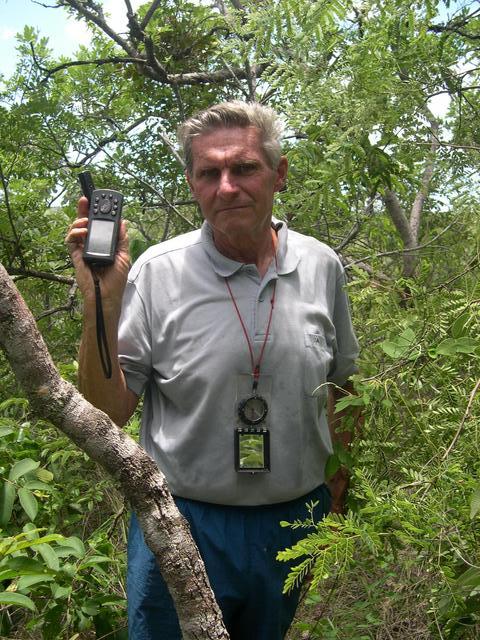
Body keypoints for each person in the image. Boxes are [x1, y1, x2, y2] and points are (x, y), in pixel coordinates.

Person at [66, 101, 359, 640]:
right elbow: (107, 411)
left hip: (295, 520)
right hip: (183, 522)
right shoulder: (158, 273)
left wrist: (339, 485)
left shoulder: (322, 266)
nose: (227, 187)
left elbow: (343, 384)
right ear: (192, 182)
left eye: (244, 167)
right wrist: (99, 305)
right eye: (209, 173)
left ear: (280, 173)